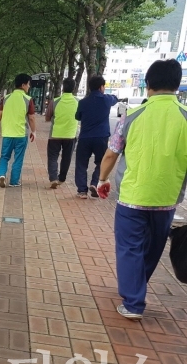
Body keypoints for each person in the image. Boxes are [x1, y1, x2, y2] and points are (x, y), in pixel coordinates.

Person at [97, 59, 187, 320]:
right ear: (176, 84)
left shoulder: (132, 116)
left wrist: (102, 179)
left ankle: (134, 301)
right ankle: (136, 287)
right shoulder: (185, 117)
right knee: (153, 247)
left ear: (148, 85)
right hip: (168, 199)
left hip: (133, 197)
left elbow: (112, 153)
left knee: (129, 247)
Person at [0, 73, 37, 188]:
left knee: (4, 157)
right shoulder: (28, 99)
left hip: (7, 134)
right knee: (18, 158)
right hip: (21, 135)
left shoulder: (6, 98)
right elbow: (31, 118)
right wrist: (34, 131)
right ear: (23, 84)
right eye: (28, 84)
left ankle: (1, 175)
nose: (29, 87)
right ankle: (14, 181)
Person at [74, 76, 118, 199]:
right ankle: (94, 183)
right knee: (101, 162)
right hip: (101, 137)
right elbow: (115, 98)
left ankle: (82, 191)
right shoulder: (106, 99)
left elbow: (77, 117)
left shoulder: (83, 102)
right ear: (101, 87)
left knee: (81, 164)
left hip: (85, 137)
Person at [44, 78, 79, 189]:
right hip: (70, 135)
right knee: (67, 157)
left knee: (53, 157)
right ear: (74, 88)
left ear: (63, 87)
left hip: (55, 134)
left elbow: (47, 118)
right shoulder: (78, 102)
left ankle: (53, 178)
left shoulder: (55, 101)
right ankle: (61, 178)